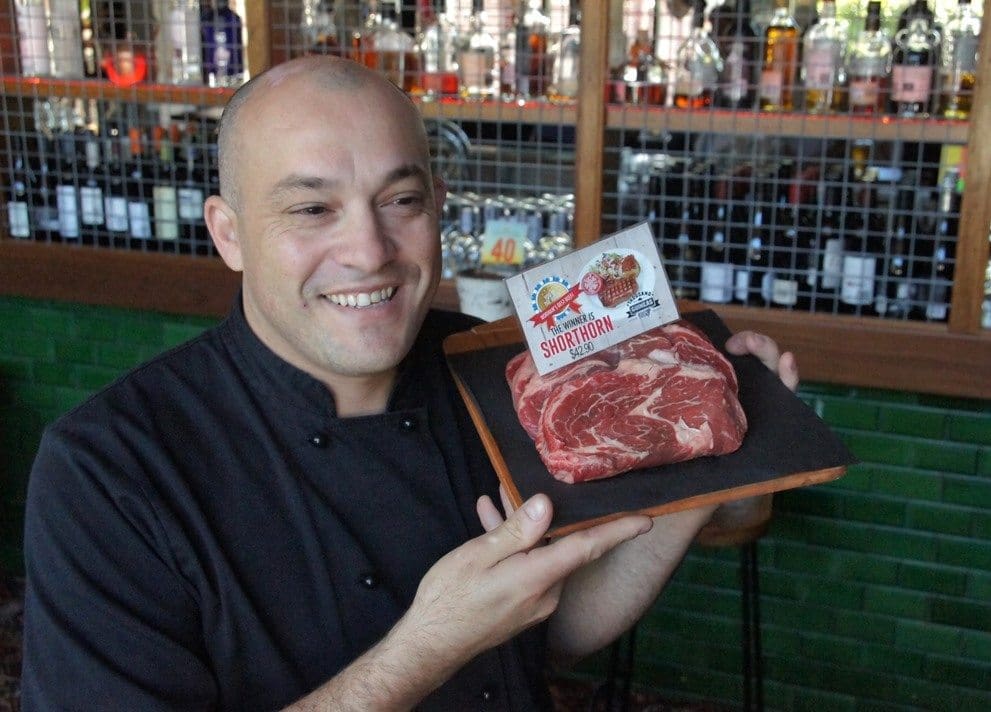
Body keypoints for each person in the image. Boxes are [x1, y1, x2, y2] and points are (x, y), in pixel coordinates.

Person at [20, 56, 799, 711]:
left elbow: (554, 627)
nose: (369, 250)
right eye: (312, 208)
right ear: (229, 233)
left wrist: (705, 457)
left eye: (401, 201)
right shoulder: (109, 469)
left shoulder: (499, 373)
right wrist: (428, 645)